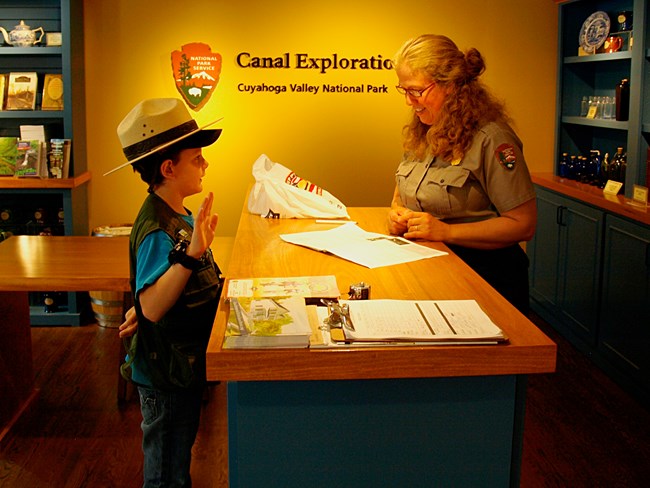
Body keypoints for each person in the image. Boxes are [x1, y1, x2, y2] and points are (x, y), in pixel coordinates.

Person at [107, 97, 224, 487]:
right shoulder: (158, 228)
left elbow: (155, 294)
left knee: (178, 458)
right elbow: (154, 306)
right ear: (169, 168)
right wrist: (191, 255)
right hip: (165, 375)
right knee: (166, 471)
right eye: (197, 158)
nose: (205, 164)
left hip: (181, 369)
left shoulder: (179, 215)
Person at [387, 34, 536, 314]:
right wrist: (397, 215)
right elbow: (400, 195)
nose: (409, 101)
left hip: (487, 280)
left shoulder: (492, 138)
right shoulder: (424, 131)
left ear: (451, 86)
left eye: (416, 91)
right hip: (434, 273)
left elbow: (523, 224)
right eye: (403, 90)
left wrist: (447, 231)